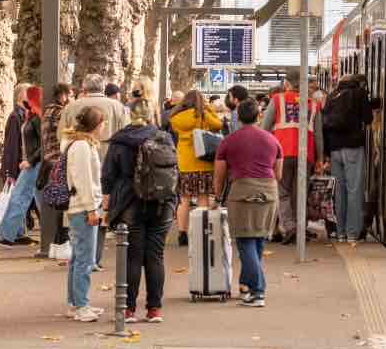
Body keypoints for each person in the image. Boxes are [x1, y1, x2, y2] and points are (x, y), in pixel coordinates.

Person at [104, 100, 176, 324]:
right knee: (155, 255)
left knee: (133, 256)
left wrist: (108, 201)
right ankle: (154, 309)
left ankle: (129, 309)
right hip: (162, 202)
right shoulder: (164, 137)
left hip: (130, 202)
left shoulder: (120, 140)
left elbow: (108, 175)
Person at [214, 99, 282, 308]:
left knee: (245, 243)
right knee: (258, 241)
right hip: (269, 192)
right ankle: (247, 287)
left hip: (241, 192)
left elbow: (219, 176)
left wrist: (217, 198)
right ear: (258, 116)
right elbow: (278, 174)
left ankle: (259, 291)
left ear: (239, 117)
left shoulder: (228, 141)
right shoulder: (273, 140)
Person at [61, 74, 129, 269]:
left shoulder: (71, 107)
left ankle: (81, 256)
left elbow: (61, 137)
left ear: (84, 87)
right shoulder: (117, 107)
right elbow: (126, 135)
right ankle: (93, 258)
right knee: (101, 210)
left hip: (77, 162)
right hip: (110, 162)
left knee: (80, 210)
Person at [261, 77, 323, 243]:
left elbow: (264, 128)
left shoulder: (277, 99)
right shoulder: (314, 104)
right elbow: (318, 135)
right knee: (299, 193)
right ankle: (299, 228)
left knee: (282, 192)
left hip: (281, 152)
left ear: (287, 84)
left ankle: (290, 228)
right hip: (306, 154)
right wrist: (320, 158)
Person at [64, 106, 107, 322]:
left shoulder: (78, 144)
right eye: (103, 123)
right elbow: (84, 180)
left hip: (80, 206)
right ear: (97, 124)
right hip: (83, 206)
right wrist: (92, 208)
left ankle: (75, 302)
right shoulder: (82, 147)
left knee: (78, 256)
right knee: (85, 258)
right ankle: (81, 304)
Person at [0, 86, 47, 247]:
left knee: (19, 197)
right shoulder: (31, 115)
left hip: (33, 164)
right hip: (32, 163)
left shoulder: (35, 117)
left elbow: (44, 143)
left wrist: (30, 160)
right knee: (40, 200)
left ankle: (7, 235)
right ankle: (57, 234)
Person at [322, 74, 374, 242]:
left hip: (335, 149)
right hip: (353, 148)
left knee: (339, 192)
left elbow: (325, 124)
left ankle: (341, 232)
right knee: (354, 190)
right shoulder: (359, 93)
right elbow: (368, 119)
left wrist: (326, 152)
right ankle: (352, 233)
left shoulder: (331, 96)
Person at [170, 90, 223, 246]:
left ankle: (182, 233)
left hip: (185, 163)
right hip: (203, 162)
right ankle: (202, 232)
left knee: (184, 200)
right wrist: (207, 108)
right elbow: (218, 124)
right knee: (203, 198)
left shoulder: (176, 117)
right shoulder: (203, 113)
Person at [37, 83, 72, 256]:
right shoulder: (60, 113)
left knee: (59, 203)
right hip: (59, 159)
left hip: (49, 160)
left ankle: (57, 245)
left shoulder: (47, 112)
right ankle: (62, 241)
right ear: (63, 95)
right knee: (64, 203)